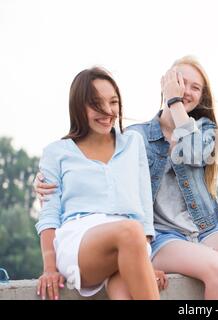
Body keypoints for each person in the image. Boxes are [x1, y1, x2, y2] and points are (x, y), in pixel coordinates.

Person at [35, 56, 218, 300]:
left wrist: (175, 102)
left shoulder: (190, 132)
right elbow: (55, 205)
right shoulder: (136, 137)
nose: (185, 90)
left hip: (192, 230)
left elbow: (191, 155)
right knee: (215, 266)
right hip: (152, 236)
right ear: (165, 84)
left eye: (195, 87)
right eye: (179, 82)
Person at [35, 67, 160, 300]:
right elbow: (49, 216)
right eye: (96, 103)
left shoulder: (134, 143)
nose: (107, 111)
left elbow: (144, 210)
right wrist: (49, 268)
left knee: (122, 291)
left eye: (113, 102)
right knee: (130, 230)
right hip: (80, 242)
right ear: (78, 107)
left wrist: (144, 261)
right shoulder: (56, 152)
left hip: (129, 244)